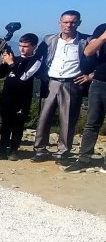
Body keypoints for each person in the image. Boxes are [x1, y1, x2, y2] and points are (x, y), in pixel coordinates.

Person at [32, 11, 93, 162]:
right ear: (60, 22)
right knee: (44, 117)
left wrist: (90, 76)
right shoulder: (49, 39)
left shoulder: (86, 41)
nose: (69, 25)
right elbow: (37, 57)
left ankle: (63, 152)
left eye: (72, 22)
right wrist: (41, 74)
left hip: (73, 83)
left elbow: (100, 59)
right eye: (66, 22)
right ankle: (40, 150)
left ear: (79, 23)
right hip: (51, 82)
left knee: (67, 119)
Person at [65, 22, 106, 173]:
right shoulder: (102, 28)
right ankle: (83, 159)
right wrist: (103, 37)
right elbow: (88, 52)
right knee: (92, 122)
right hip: (100, 81)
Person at [0, 34, 42, 160]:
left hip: (22, 99)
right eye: (20, 45)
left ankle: (13, 150)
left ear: (34, 46)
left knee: (17, 125)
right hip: (7, 96)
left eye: (26, 46)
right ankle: (1, 149)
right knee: (5, 124)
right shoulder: (14, 58)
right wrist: (3, 63)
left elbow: (24, 77)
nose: (22, 49)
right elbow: (0, 76)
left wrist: (11, 64)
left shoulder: (35, 61)